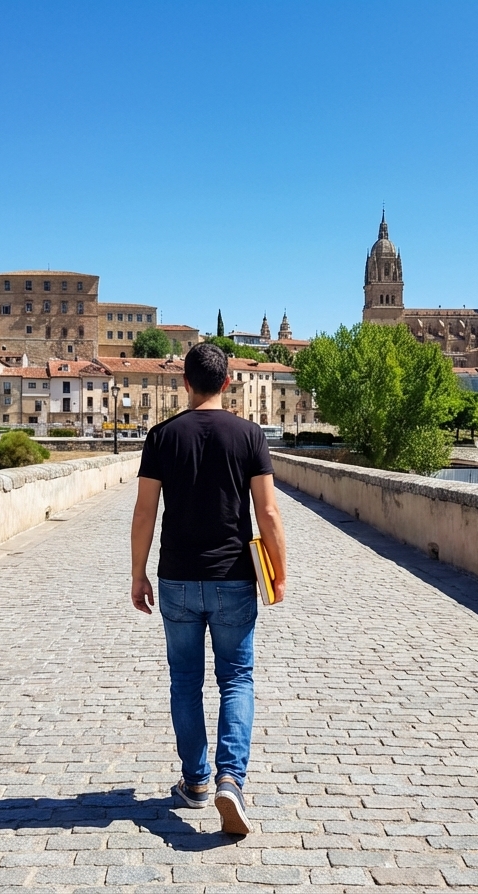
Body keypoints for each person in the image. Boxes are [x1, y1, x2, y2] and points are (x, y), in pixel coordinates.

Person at [130, 343, 287, 836]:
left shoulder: (160, 436)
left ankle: (195, 781)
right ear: (227, 383)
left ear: (184, 383)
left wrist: (138, 574)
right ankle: (230, 781)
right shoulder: (249, 435)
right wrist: (279, 571)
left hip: (177, 577)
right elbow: (268, 513)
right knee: (237, 678)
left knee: (184, 681)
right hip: (234, 578)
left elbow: (143, 514)